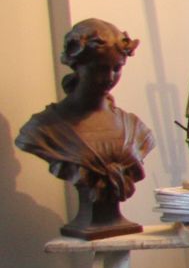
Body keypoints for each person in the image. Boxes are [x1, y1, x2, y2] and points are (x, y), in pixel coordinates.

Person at [16, 18, 155, 234]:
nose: (109, 77)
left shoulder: (136, 129)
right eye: (100, 68)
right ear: (77, 66)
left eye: (117, 68)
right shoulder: (43, 130)